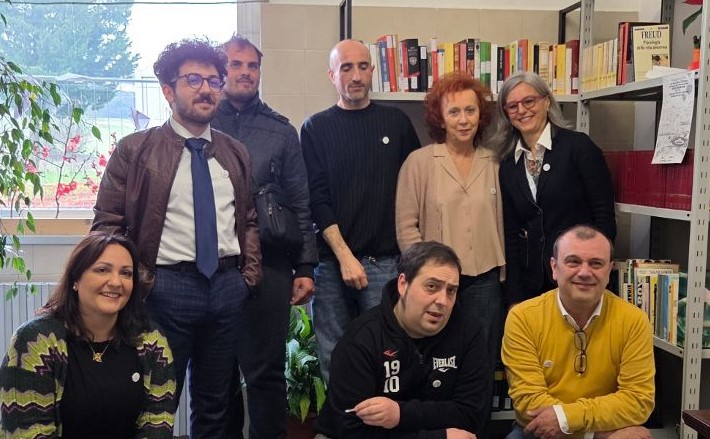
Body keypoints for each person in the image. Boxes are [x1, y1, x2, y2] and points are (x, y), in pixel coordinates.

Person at [92, 38, 261, 439]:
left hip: (226, 288)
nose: (206, 89)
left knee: (216, 407)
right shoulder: (136, 151)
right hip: (164, 290)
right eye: (193, 80)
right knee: (153, 403)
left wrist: (247, 278)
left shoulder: (235, 152)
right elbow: (107, 226)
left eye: (214, 81)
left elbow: (249, 220)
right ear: (168, 91)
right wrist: (137, 283)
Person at [211, 34, 318, 439]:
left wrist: (305, 266)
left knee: (266, 374)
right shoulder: (201, 123)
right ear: (221, 71)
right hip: (211, 267)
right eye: (235, 64)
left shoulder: (281, 131)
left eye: (252, 66)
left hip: (271, 263)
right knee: (215, 375)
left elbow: (301, 201)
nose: (245, 72)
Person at [301, 39, 421, 382]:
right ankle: (343, 416)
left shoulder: (396, 123)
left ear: (372, 71)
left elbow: (414, 190)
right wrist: (345, 257)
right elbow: (316, 199)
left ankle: (382, 417)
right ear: (332, 75)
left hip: (386, 264)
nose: (356, 76)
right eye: (346, 68)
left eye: (363, 66)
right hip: (331, 265)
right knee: (334, 356)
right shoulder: (315, 128)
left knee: (388, 356)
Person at [0, 231, 176, 439]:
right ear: (75, 279)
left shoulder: (152, 341)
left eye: (126, 273)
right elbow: (27, 432)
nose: (116, 282)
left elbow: (158, 423)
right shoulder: (34, 342)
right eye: (102, 270)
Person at [314, 241, 490, 439]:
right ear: (403, 284)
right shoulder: (362, 338)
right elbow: (351, 430)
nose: (442, 301)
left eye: (451, 291)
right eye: (432, 286)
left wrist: (400, 414)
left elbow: (471, 414)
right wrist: (437, 437)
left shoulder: (468, 331)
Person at [501, 225, 654, 439]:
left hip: (601, 424)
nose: (584, 273)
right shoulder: (523, 318)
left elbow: (638, 401)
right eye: (573, 262)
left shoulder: (634, 320)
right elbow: (530, 404)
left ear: (609, 270)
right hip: (549, 432)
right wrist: (595, 435)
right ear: (554, 267)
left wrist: (568, 419)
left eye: (596, 263)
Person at [491, 72, 616, 306]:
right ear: (506, 113)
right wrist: (514, 296)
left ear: (546, 101)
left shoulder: (578, 147)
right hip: (532, 282)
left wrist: (595, 268)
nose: (522, 110)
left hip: (579, 276)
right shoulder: (508, 163)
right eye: (512, 106)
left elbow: (604, 215)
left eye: (529, 101)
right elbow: (511, 232)